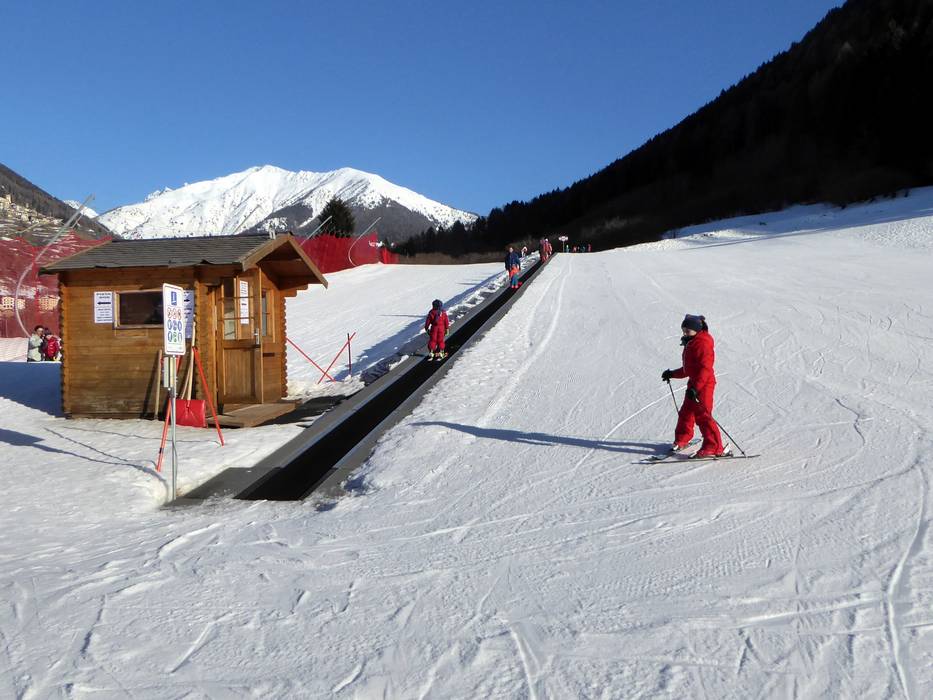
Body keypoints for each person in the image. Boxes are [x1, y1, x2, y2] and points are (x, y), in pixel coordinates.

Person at [660, 314, 730, 458]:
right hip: (695, 383)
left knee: (703, 415)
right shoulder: (691, 342)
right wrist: (672, 374)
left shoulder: (702, 343)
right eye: (683, 330)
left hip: (704, 384)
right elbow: (689, 369)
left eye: (687, 331)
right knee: (686, 412)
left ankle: (713, 446)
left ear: (696, 330)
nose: (684, 333)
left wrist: (696, 388)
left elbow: (705, 369)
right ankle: (682, 439)